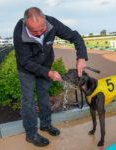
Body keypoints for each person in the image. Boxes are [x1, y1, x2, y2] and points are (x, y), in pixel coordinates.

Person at [13, 7, 88, 147]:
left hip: (46, 64)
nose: (40, 32)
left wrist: (82, 57)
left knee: (44, 96)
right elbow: (25, 61)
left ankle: (45, 125)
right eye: (34, 31)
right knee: (28, 100)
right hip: (26, 69)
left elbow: (75, 36)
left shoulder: (51, 23)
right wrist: (49, 73)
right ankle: (31, 134)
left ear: (45, 19)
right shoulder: (19, 32)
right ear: (25, 23)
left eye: (42, 28)